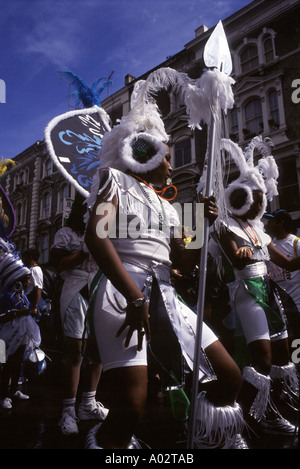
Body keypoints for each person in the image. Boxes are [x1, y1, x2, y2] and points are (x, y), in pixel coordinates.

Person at [83, 92, 246, 450]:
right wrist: (134, 296)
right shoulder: (112, 178)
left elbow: (183, 264)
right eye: (168, 159)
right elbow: (96, 240)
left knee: (228, 375)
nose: (172, 168)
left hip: (164, 294)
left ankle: (208, 440)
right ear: (145, 154)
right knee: (131, 406)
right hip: (121, 292)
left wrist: (201, 226)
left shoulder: (168, 206)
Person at [215, 138, 300, 438]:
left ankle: (270, 409)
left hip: (268, 290)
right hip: (247, 292)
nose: (261, 202)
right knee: (261, 358)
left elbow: (289, 264)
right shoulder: (226, 225)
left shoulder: (259, 230)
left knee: (281, 354)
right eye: (255, 196)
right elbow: (236, 258)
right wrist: (241, 253)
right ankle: (246, 418)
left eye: (261, 197)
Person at [50, 196, 108, 436]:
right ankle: (68, 411)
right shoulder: (66, 233)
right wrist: (86, 249)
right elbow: (60, 263)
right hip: (75, 290)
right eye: (88, 207)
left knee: (99, 351)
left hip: (101, 290)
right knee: (75, 351)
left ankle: (88, 404)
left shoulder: (105, 231)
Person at [0, 239, 41, 409]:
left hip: (21, 336)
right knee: (4, 366)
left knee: (17, 364)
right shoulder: (6, 297)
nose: (29, 283)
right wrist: (17, 313)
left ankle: (13, 390)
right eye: (26, 280)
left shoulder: (22, 296)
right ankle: (2, 396)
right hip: (5, 337)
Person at [22, 248, 44, 322]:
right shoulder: (31, 269)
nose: (23, 260)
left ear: (30, 257)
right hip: (30, 301)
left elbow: (38, 288)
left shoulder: (35, 270)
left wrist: (35, 306)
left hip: (34, 301)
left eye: (25, 257)